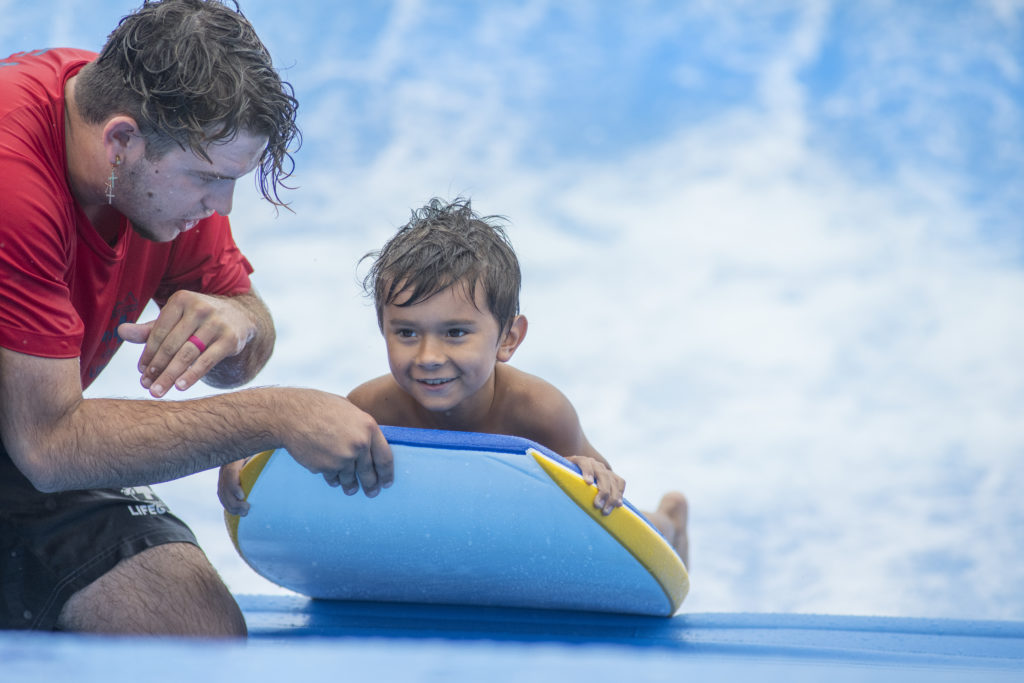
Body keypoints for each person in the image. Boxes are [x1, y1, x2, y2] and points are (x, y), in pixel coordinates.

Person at [0, 0, 392, 637]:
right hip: (34, 439)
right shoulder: (14, 178)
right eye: (208, 178)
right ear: (120, 140)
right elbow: (49, 447)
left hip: (20, 445)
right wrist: (274, 417)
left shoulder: (154, 171)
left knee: (195, 628)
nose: (221, 206)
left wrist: (236, 322)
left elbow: (247, 339)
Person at [219, 197, 689, 566]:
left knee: (647, 523)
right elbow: (314, 460)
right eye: (406, 332)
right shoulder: (370, 407)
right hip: (455, 525)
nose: (428, 357)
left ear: (508, 338)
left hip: (521, 518)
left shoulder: (537, 409)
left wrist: (591, 471)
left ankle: (670, 518)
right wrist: (254, 461)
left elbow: (607, 500)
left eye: (456, 333)